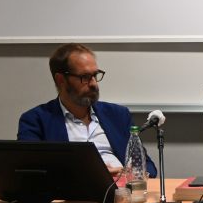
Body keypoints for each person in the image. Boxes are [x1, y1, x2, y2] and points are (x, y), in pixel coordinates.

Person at [17, 43, 157, 176]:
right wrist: (93, 174)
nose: (94, 84)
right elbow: (31, 173)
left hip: (122, 188)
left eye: (95, 75)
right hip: (72, 191)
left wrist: (131, 174)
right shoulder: (36, 121)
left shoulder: (118, 115)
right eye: (85, 77)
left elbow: (147, 166)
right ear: (61, 80)